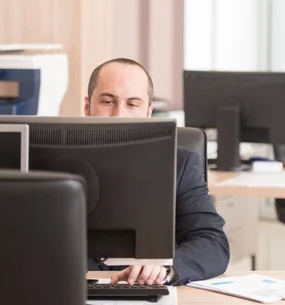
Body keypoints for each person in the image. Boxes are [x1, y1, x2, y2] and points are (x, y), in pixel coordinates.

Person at [84, 58, 230, 285]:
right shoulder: (47, 161)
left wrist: (163, 270)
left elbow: (212, 243)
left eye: (132, 104)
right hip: (67, 289)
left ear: (148, 112)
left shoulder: (178, 163)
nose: (118, 115)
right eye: (107, 101)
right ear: (87, 106)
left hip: (141, 289)